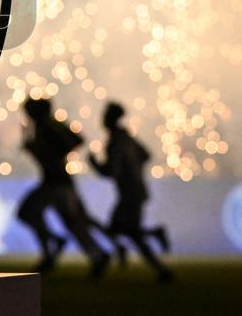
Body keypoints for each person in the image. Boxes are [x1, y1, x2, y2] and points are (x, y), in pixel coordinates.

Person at [17, 97, 110, 276]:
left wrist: (46, 152)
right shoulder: (44, 126)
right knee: (71, 222)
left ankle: (55, 249)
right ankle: (95, 254)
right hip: (55, 182)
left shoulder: (47, 126)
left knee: (30, 213)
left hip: (56, 183)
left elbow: (75, 141)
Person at [89, 102, 173, 282]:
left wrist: (94, 163)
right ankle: (159, 265)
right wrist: (135, 169)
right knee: (121, 231)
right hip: (135, 190)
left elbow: (111, 171)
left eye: (105, 115)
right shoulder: (127, 137)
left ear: (110, 118)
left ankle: (160, 264)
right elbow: (146, 155)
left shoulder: (115, 142)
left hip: (129, 194)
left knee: (126, 232)